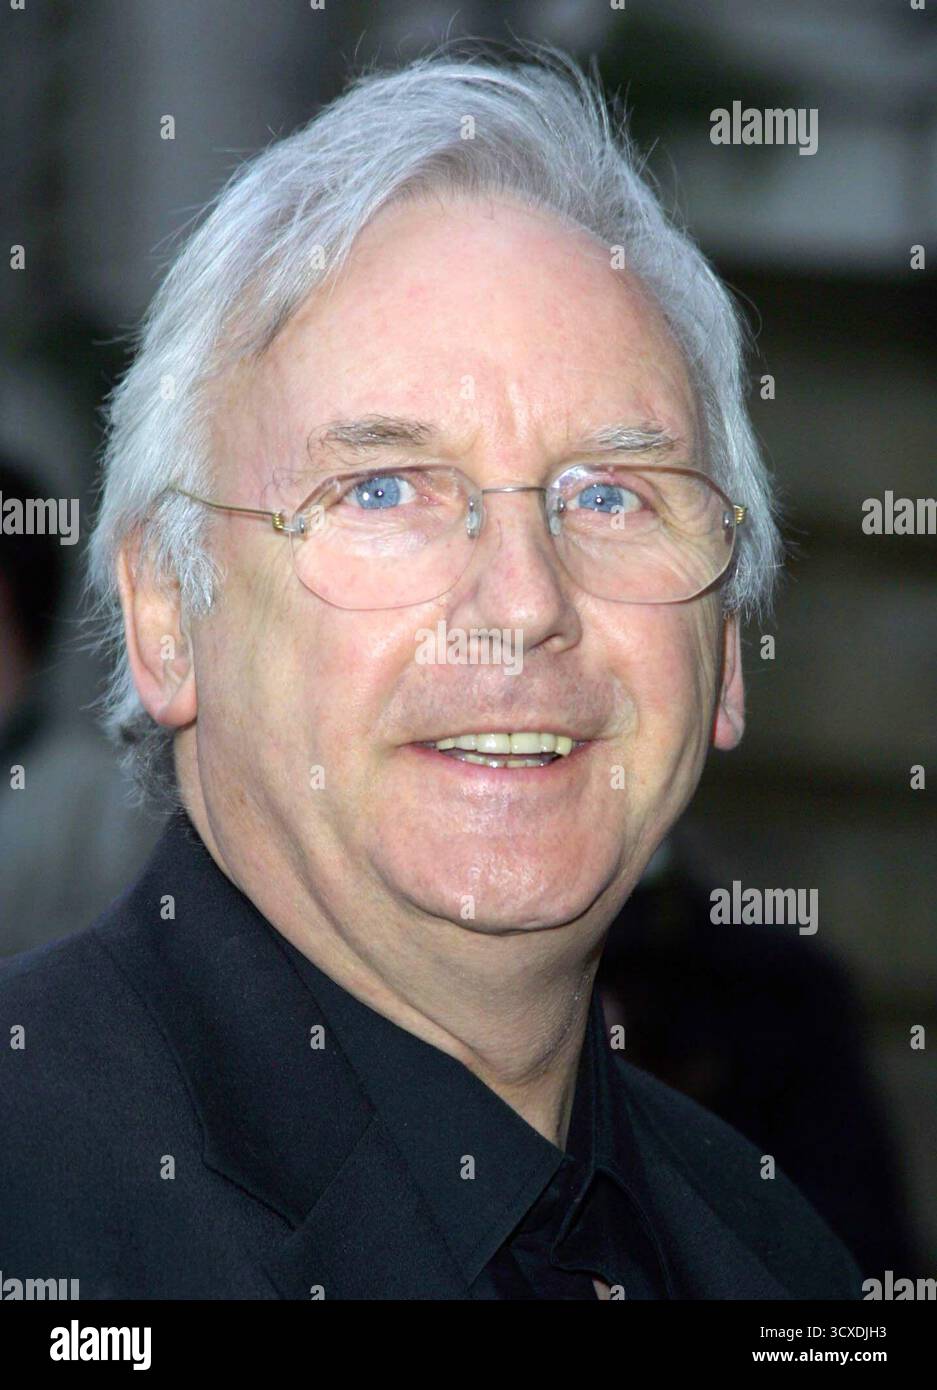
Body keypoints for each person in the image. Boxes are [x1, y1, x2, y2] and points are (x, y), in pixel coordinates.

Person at [0, 45, 862, 1299]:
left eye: (613, 494)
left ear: (726, 645)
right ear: (165, 614)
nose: (521, 605)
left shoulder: (782, 1265)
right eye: (385, 489)